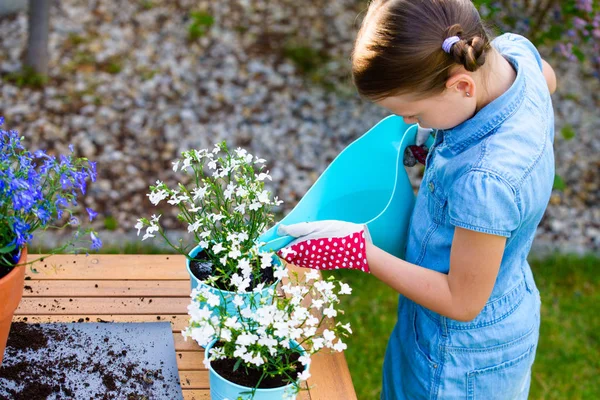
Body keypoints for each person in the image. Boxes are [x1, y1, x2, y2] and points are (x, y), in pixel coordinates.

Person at [275, 0, 557, 398]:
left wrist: (362, 253)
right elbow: (546, 79)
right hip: (497, 315)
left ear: (462, 86)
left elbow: (461, 301)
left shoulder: (486, 182)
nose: (410, 123)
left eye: (416, 114)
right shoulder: (514, 53)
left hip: (458, 360)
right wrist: (434, 134)